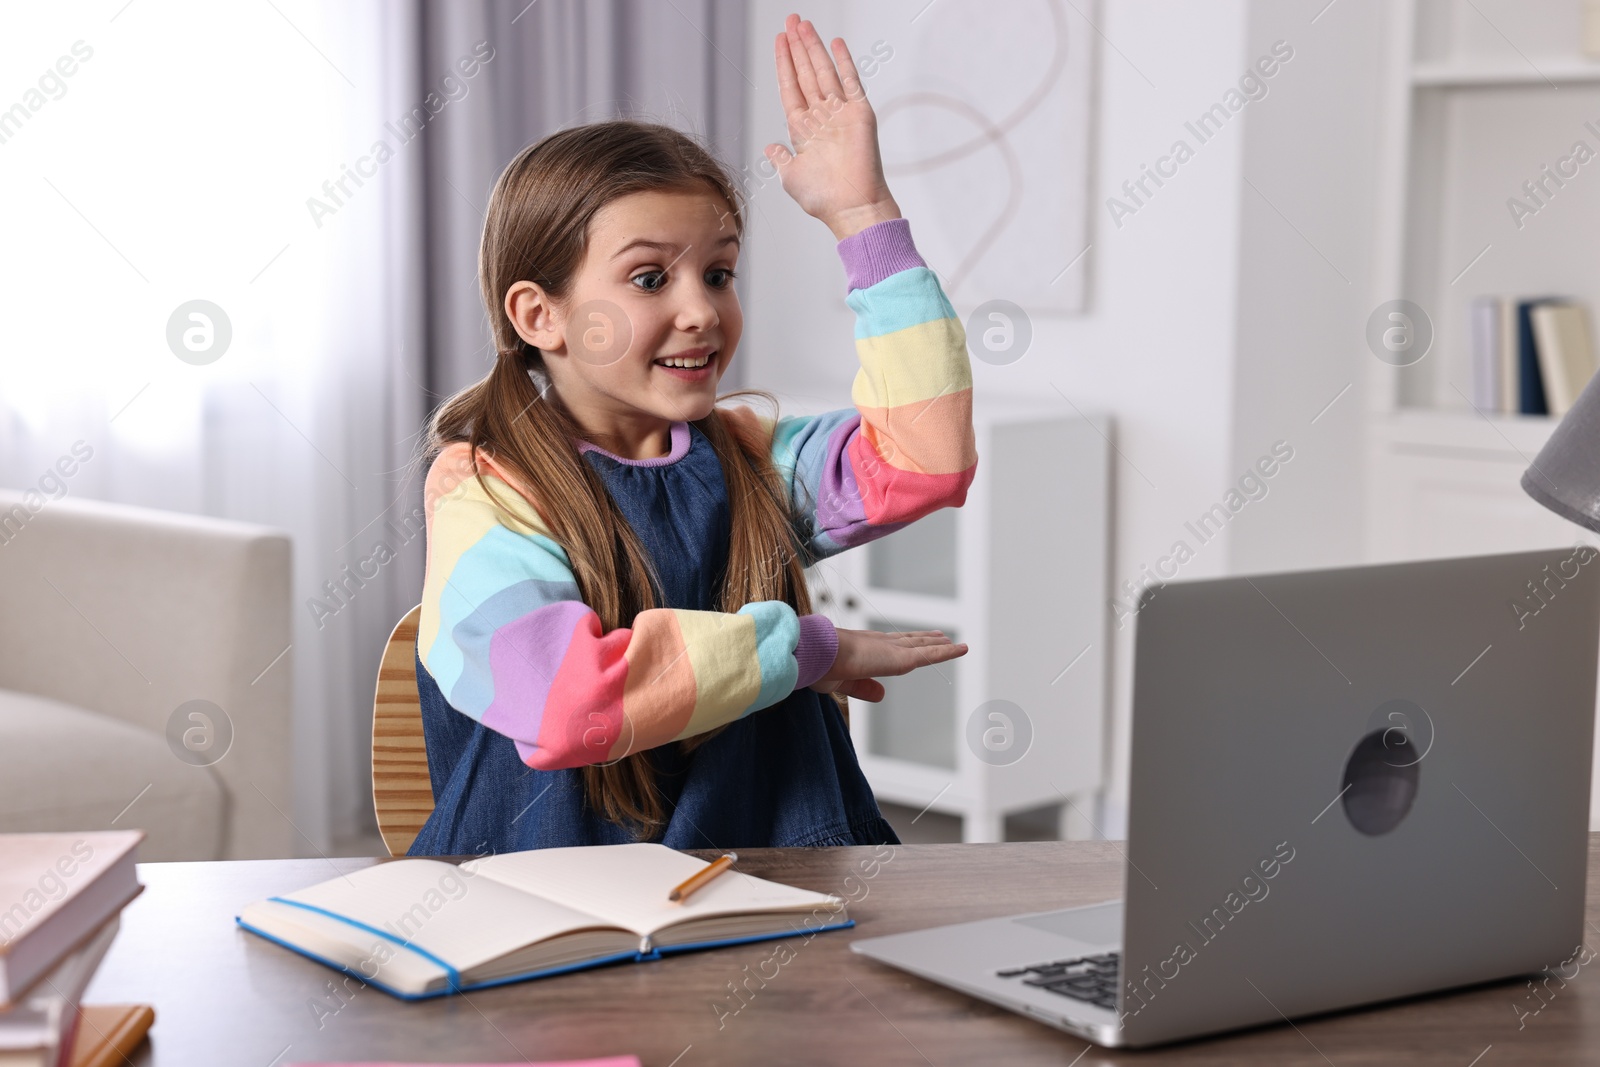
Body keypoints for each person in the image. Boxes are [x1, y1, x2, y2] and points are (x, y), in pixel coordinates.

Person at [409, 14, 977, 855]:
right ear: (540, 315)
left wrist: (864, 215)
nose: (702, 310)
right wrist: (804, 650)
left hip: (767, 887)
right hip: (555, 909)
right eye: (649, 277)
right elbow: (567, 701)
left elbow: (925, 460)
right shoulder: (487, 489)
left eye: (718, 272)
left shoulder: (748, 455)